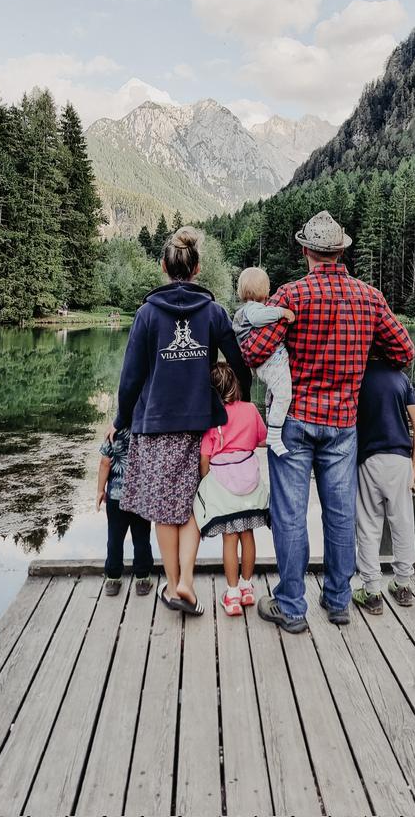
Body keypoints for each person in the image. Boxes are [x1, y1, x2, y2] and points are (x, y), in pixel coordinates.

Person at [241, 210, 415, 633]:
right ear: (340, 251)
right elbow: (404, 351)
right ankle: (338, 602)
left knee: (290, 514)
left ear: (306, 251)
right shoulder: (369, 298)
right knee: (339, 515)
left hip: (295, 420)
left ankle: (292, 607)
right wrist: (366, 356)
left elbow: (253, 353)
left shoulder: (291, 296)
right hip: (342, 424)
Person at [114, 226, 250, 617]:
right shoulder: (213, 312)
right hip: (200, 425)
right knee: (190, 505)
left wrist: (123, 419)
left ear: (163, 266)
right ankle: (188, 581)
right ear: (197, 268)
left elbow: (130, 378)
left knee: (163, 509)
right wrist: (241, 400)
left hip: (154, 426)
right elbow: (239, 364)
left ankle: (173, 586)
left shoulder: (146, 314)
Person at [352, 357, 415, 613]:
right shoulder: (401, 378)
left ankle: (371, 591)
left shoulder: (358, 376)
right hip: (399, 460)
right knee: (402, 522)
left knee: (369, 524)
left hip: (368, 459)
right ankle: (403, 585)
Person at [194, 363, 270, 615]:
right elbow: (262, 439)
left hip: (224, 487)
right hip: (249, 482)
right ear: (235, 385)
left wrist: (205, 483)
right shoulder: (250, 410)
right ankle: (248, 588)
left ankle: (233, 594)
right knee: (248, 535)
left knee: (230, 539)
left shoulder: (211, 419)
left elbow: (205, 459)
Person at [233, 267, 295, 456]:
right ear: (266, 290)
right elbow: (259, 318)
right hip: (271, 361)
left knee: (273, 392)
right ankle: (274, 436)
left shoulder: (247, 309)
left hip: (268, 361)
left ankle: (269, 416)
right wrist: (282, 312)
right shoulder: (253, 309)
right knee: (284, 395)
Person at [95, 427, 154, 597]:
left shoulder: (113, 432)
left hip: (116, 497)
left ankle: (113, 578)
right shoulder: (146, 430)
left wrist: (100, 490)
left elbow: (105, 462)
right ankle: (142, 578)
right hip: (140, 496)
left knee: (114, 537)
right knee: (142, 537)